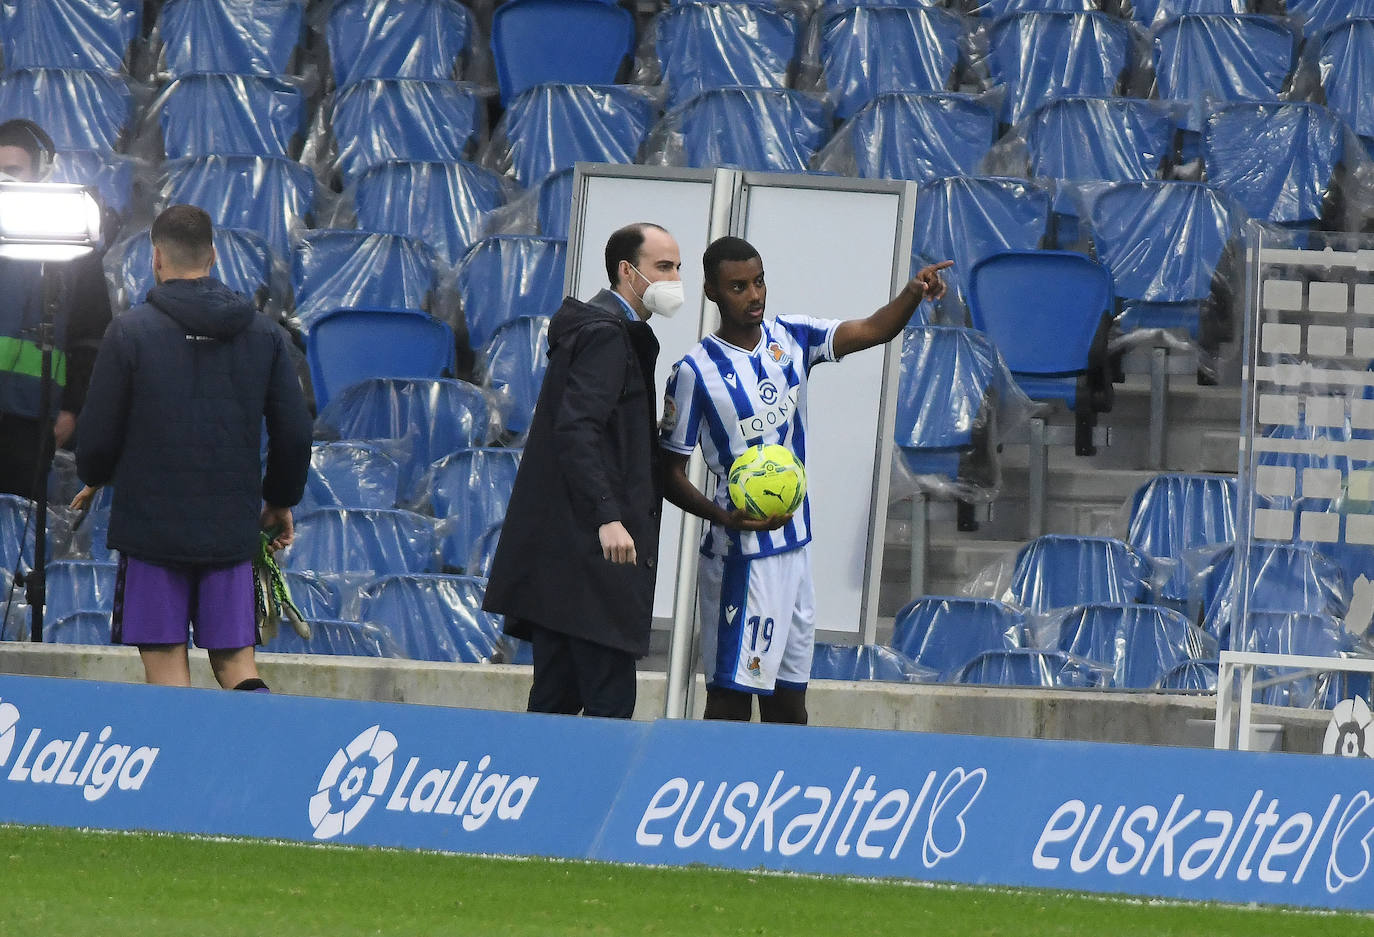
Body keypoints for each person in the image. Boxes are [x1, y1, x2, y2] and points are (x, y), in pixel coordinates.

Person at [661, 236, 952, 724]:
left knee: (789, 701)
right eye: (738, 287)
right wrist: (722, 517)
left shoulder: (792, 337)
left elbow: (873, 329)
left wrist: (912, 292)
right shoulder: (694, 372)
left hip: (796, 550)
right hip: (742, 559)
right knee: (731, 699)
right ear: (711, 291)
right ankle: (711, 777)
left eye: (759, 282)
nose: (754, 295)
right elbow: (667, 472)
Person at [72, 204, 311, 690]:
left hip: (151, 531)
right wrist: (280, 499)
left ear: (156, 258)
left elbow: (96, 436)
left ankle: (180, 744)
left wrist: (96, 474)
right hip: (230, 529)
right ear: (213, 256)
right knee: (236, 666)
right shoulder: (265, 334)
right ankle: (260, 740)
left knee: (165, 669)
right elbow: (295, 432)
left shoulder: (130, 332)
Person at [484, 222, 683, 719]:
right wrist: (607, 516)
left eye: (677, 267)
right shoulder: (606, 337)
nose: (675, 278)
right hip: (591, 559)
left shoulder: (603, 332)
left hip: (564, 560)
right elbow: (577, 430)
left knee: (555, 700)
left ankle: (535, 772)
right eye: (663, 267)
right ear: (627, 272)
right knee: (608, 704)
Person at [0, 118, 113, 499]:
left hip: (33, 418)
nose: (4, 179)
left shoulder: (70, 243)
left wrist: (72, 408)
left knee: (19, 522)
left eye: (13, 169)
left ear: (41, 171)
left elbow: (91, 335)